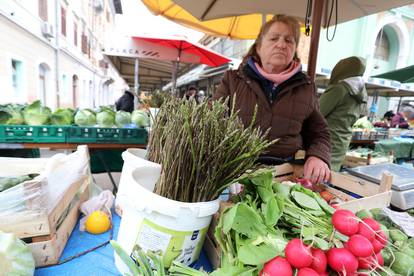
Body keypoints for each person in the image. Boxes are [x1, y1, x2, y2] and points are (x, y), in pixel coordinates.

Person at [213, 14, 331, 183]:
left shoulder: (305, 87)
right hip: (236, 171)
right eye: (274, 38)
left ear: (294, 49)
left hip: (285, 174)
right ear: (259, 46)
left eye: (289, 40)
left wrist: (318, 156)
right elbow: (210, 121)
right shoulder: (233, 80)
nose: (281, 45)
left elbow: (320, 133)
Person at [319, 56, 368, 171]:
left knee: (318, 175)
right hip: (342, 142)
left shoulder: (339, 89)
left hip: (326, 140)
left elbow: (317, 113)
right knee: (329, 174)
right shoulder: (361, 93)